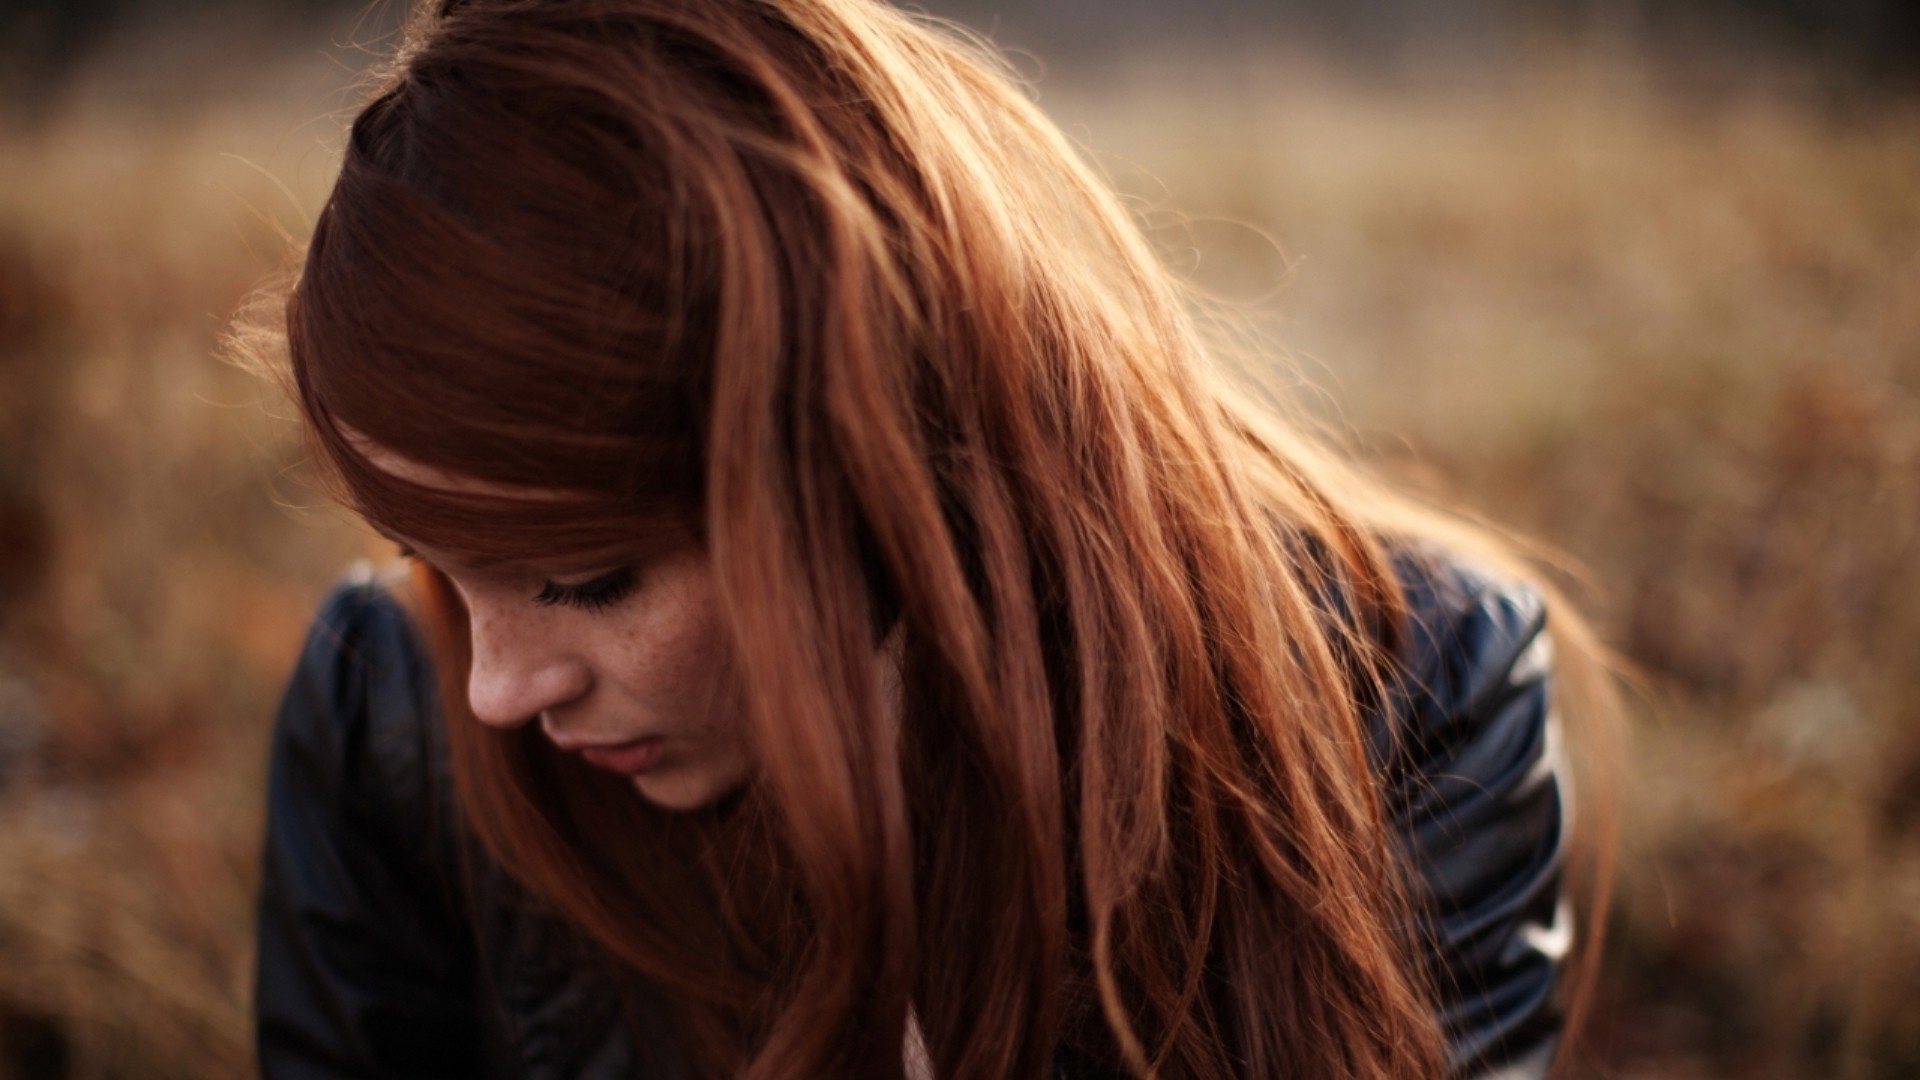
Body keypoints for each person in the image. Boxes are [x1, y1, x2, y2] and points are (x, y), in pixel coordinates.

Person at [244, 0, 1619, 1076]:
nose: (500, 688)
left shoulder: (1418, 696)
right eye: (439, 559)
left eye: (586, 580)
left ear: (878, 455)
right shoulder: (393, 720)